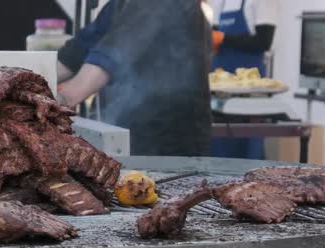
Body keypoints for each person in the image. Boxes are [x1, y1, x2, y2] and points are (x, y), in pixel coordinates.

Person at [57, 0, 212, 157]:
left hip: (169, 136)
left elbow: (112, 52)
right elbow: (78, 50)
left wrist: (63, 99)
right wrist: (37, 78)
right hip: (130, 129)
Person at [208, 0, 278, 159]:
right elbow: (212, 34)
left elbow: (263, 41)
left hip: (250, 91)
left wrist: (223, 39)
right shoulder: (220, 2)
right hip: (218, 90)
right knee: (218, 148)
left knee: (247, 148)